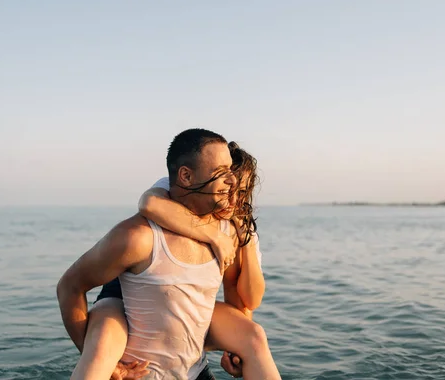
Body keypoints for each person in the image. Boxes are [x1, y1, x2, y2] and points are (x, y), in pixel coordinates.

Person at [57, 129, 281, 380]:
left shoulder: (232, 229)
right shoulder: (147, 224)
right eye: (222, 173)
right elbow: (150, 204)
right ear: (186, 175)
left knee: (254, 336)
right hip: (125, 286)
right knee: (100, 349)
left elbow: (243, 301)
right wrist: (96, 356)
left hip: (188, 343)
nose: (232, 184)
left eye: (237, 182)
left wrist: (238, 349)